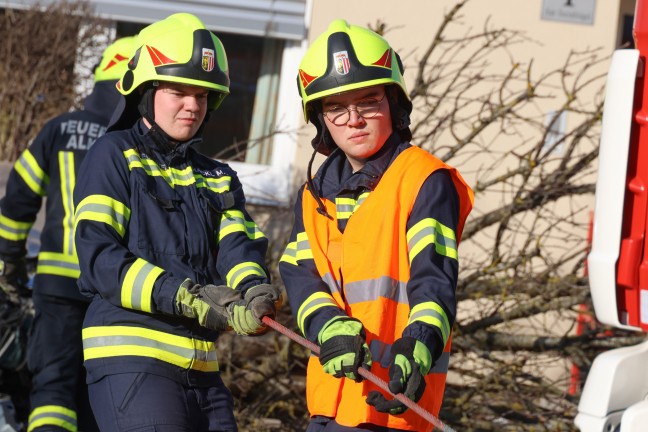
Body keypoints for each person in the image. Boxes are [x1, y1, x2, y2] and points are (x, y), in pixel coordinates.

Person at [73, 13, 282, 432]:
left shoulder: (219, 176)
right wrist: (187, 297)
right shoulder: (113, 155)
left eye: (202, 95)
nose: (192, 105)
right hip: (130, 359)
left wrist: (254, 289)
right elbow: (99, 258)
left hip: (201, 367)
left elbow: (237, 247)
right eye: (178, 92)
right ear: (146, 93)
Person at [279, 20, 474, 432]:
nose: (354, 120)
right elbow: (302, 278)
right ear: (320, 120)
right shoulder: (312, 197)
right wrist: (328, 325)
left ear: (394, 105)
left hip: (395, 400)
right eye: (336, 108)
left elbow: (434, 281)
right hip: (329, 401)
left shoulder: (424, 180)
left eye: (368, 102)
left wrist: (418, 347)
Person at [0, 36, 136, 432]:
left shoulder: (57, 129)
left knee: (51, 387)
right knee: (97, 388)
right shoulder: (131, 142)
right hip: (113, 289)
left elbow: (17, 202)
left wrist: (9, 263)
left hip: (56, 285)